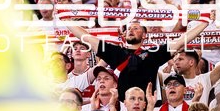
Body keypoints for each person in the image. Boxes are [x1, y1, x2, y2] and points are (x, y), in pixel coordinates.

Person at [67, 19, 208, 100]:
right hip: (122, 107)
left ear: (145, 35)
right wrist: (64, 19)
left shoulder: (154, 54)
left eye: (135, 28)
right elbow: (85, 37)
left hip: (147, 108)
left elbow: (181, 41)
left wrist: (205, 23)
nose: (131, 30)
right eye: (128, 28)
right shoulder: (116, 52)